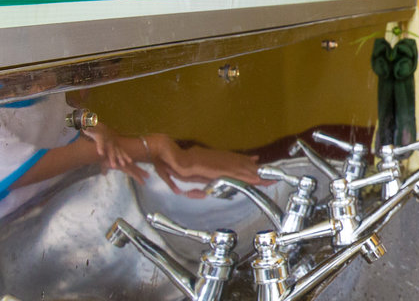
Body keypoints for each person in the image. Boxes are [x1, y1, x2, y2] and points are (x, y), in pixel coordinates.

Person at [0, 93, 265, 218]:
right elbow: (30, 166)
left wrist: (97, 131)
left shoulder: (36, 86)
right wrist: (159, 148)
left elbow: (77, 129)